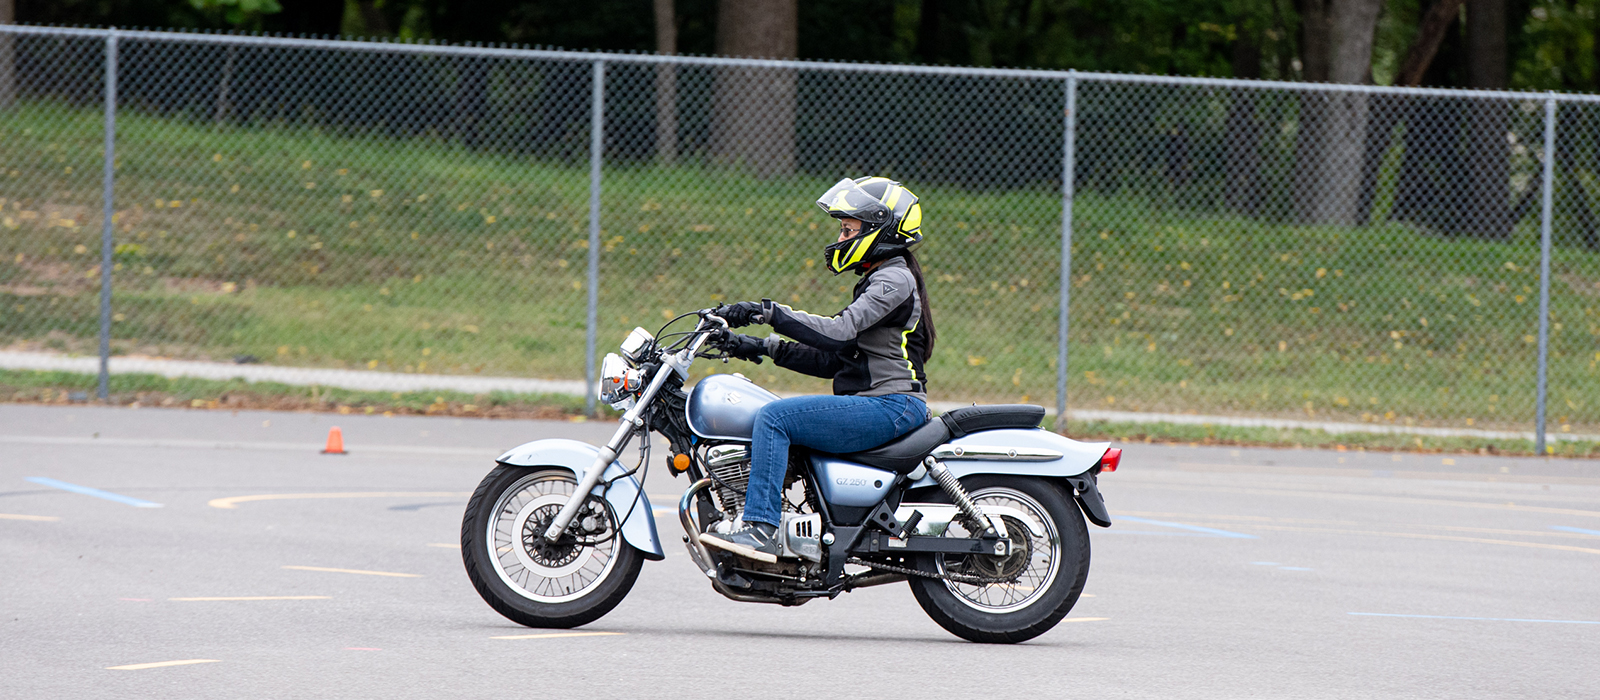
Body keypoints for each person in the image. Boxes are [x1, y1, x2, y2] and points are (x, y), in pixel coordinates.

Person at [699, 176, 937, 563]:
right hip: (880, 403)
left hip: (891, 405)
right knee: (779, 418)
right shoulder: (880, 278)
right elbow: (833, 358)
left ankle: (760, 528)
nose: (840, 238)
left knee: (775, 418)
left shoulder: (893, 279)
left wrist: (766, 312)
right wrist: (755, 346)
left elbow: (837, 331)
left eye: (849, 230)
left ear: (880, 229)